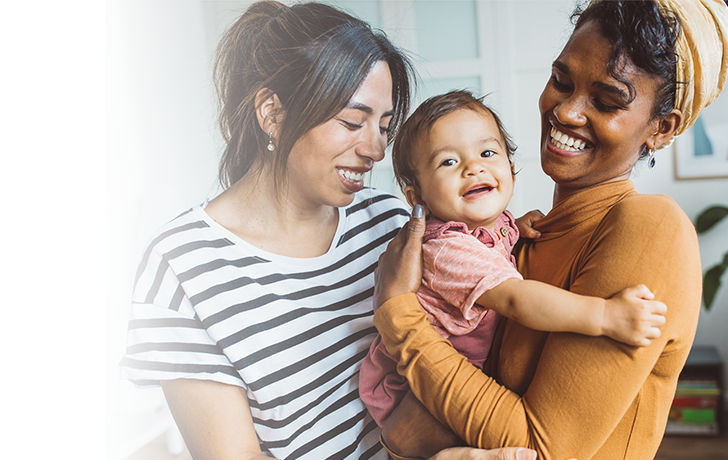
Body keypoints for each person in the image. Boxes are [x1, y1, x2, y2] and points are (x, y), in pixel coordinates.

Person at [118, 1, 540, 459]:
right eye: (352, 122)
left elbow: (473, 296)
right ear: (272, 113)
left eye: (383, 126)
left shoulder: (391, 224)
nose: (377, 150)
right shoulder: (184, 264)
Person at [372, 0, 728, 459]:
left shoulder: (650, 227)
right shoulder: (518, 237)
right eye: (561, 81)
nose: (567, 112)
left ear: (661, 128)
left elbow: (544, 447)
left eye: (605, 101)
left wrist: (399, 317)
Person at [358, 90, 666, 428]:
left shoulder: (495, 225)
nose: (473, 167)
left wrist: (514, 229)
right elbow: (517, 300)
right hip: (412, 392)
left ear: (512, 170)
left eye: (487, 153)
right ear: (418, 197)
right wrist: (605, 315)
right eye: (448, 162)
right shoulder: (447, 249)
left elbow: (490, 251)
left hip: (461, 372)